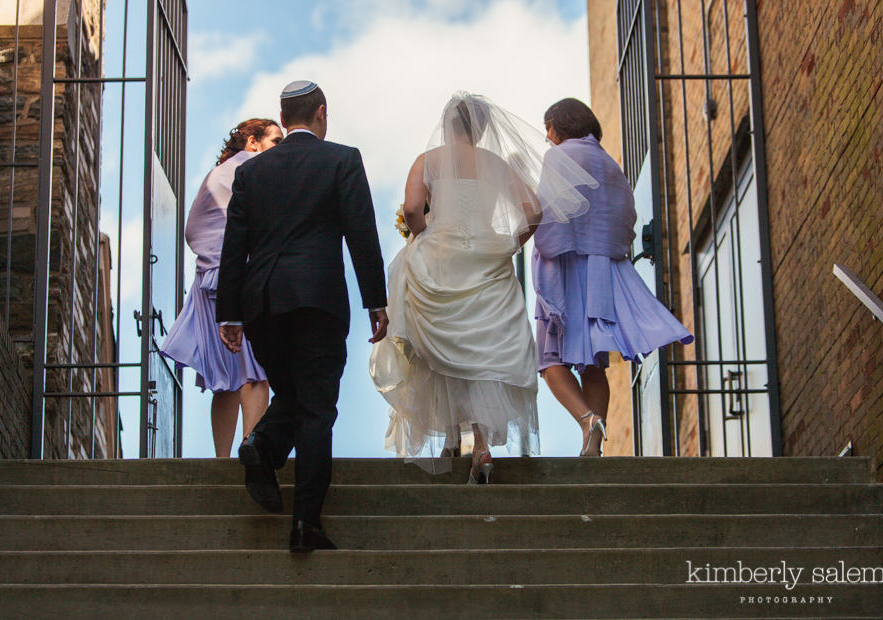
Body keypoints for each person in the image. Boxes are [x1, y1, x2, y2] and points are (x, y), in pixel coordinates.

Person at [370, 92, 599, 483]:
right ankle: (480, 446)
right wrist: (508, 244)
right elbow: (533, 211)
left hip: (441, 258)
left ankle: (459, 443)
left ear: (448, 125)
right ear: (484, 128)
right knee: (482, 355)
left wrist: (427, 238)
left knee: (442, 350)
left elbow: (411, 210)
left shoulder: (428, 160)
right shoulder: (495, 163)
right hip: (487, 258)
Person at [216, 81, 388, 552]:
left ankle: (262, 445)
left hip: (262, 303)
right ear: (321, 113)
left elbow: (235, 248)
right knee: (315, 408)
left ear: (283, 115)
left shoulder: (253, 172)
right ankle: (304, 524)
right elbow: (361, 233)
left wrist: (228, 312)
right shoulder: (342, 159)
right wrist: (376, 300)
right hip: (316, 300)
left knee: (293, 392)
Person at [533, 98, 693, 457]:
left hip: (566, 269)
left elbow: (548, 216)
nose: (546, 136)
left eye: (548, 126)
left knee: (549, 362)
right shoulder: (610, 162)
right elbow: (627, 216)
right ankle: (594, 447)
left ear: (562, 124)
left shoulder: (557, 158)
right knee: (592, 363)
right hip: (603, 274)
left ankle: (588, 420)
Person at [160, 118, 283, 457]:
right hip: (231, 277)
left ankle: (222, 459)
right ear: (253, 143)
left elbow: (194, 229)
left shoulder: (222, 172)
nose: (281, 149)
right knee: (256, 373)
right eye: (275, 141)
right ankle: (252, 453)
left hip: (208, 280)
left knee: (227, 381)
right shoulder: (248, 169)